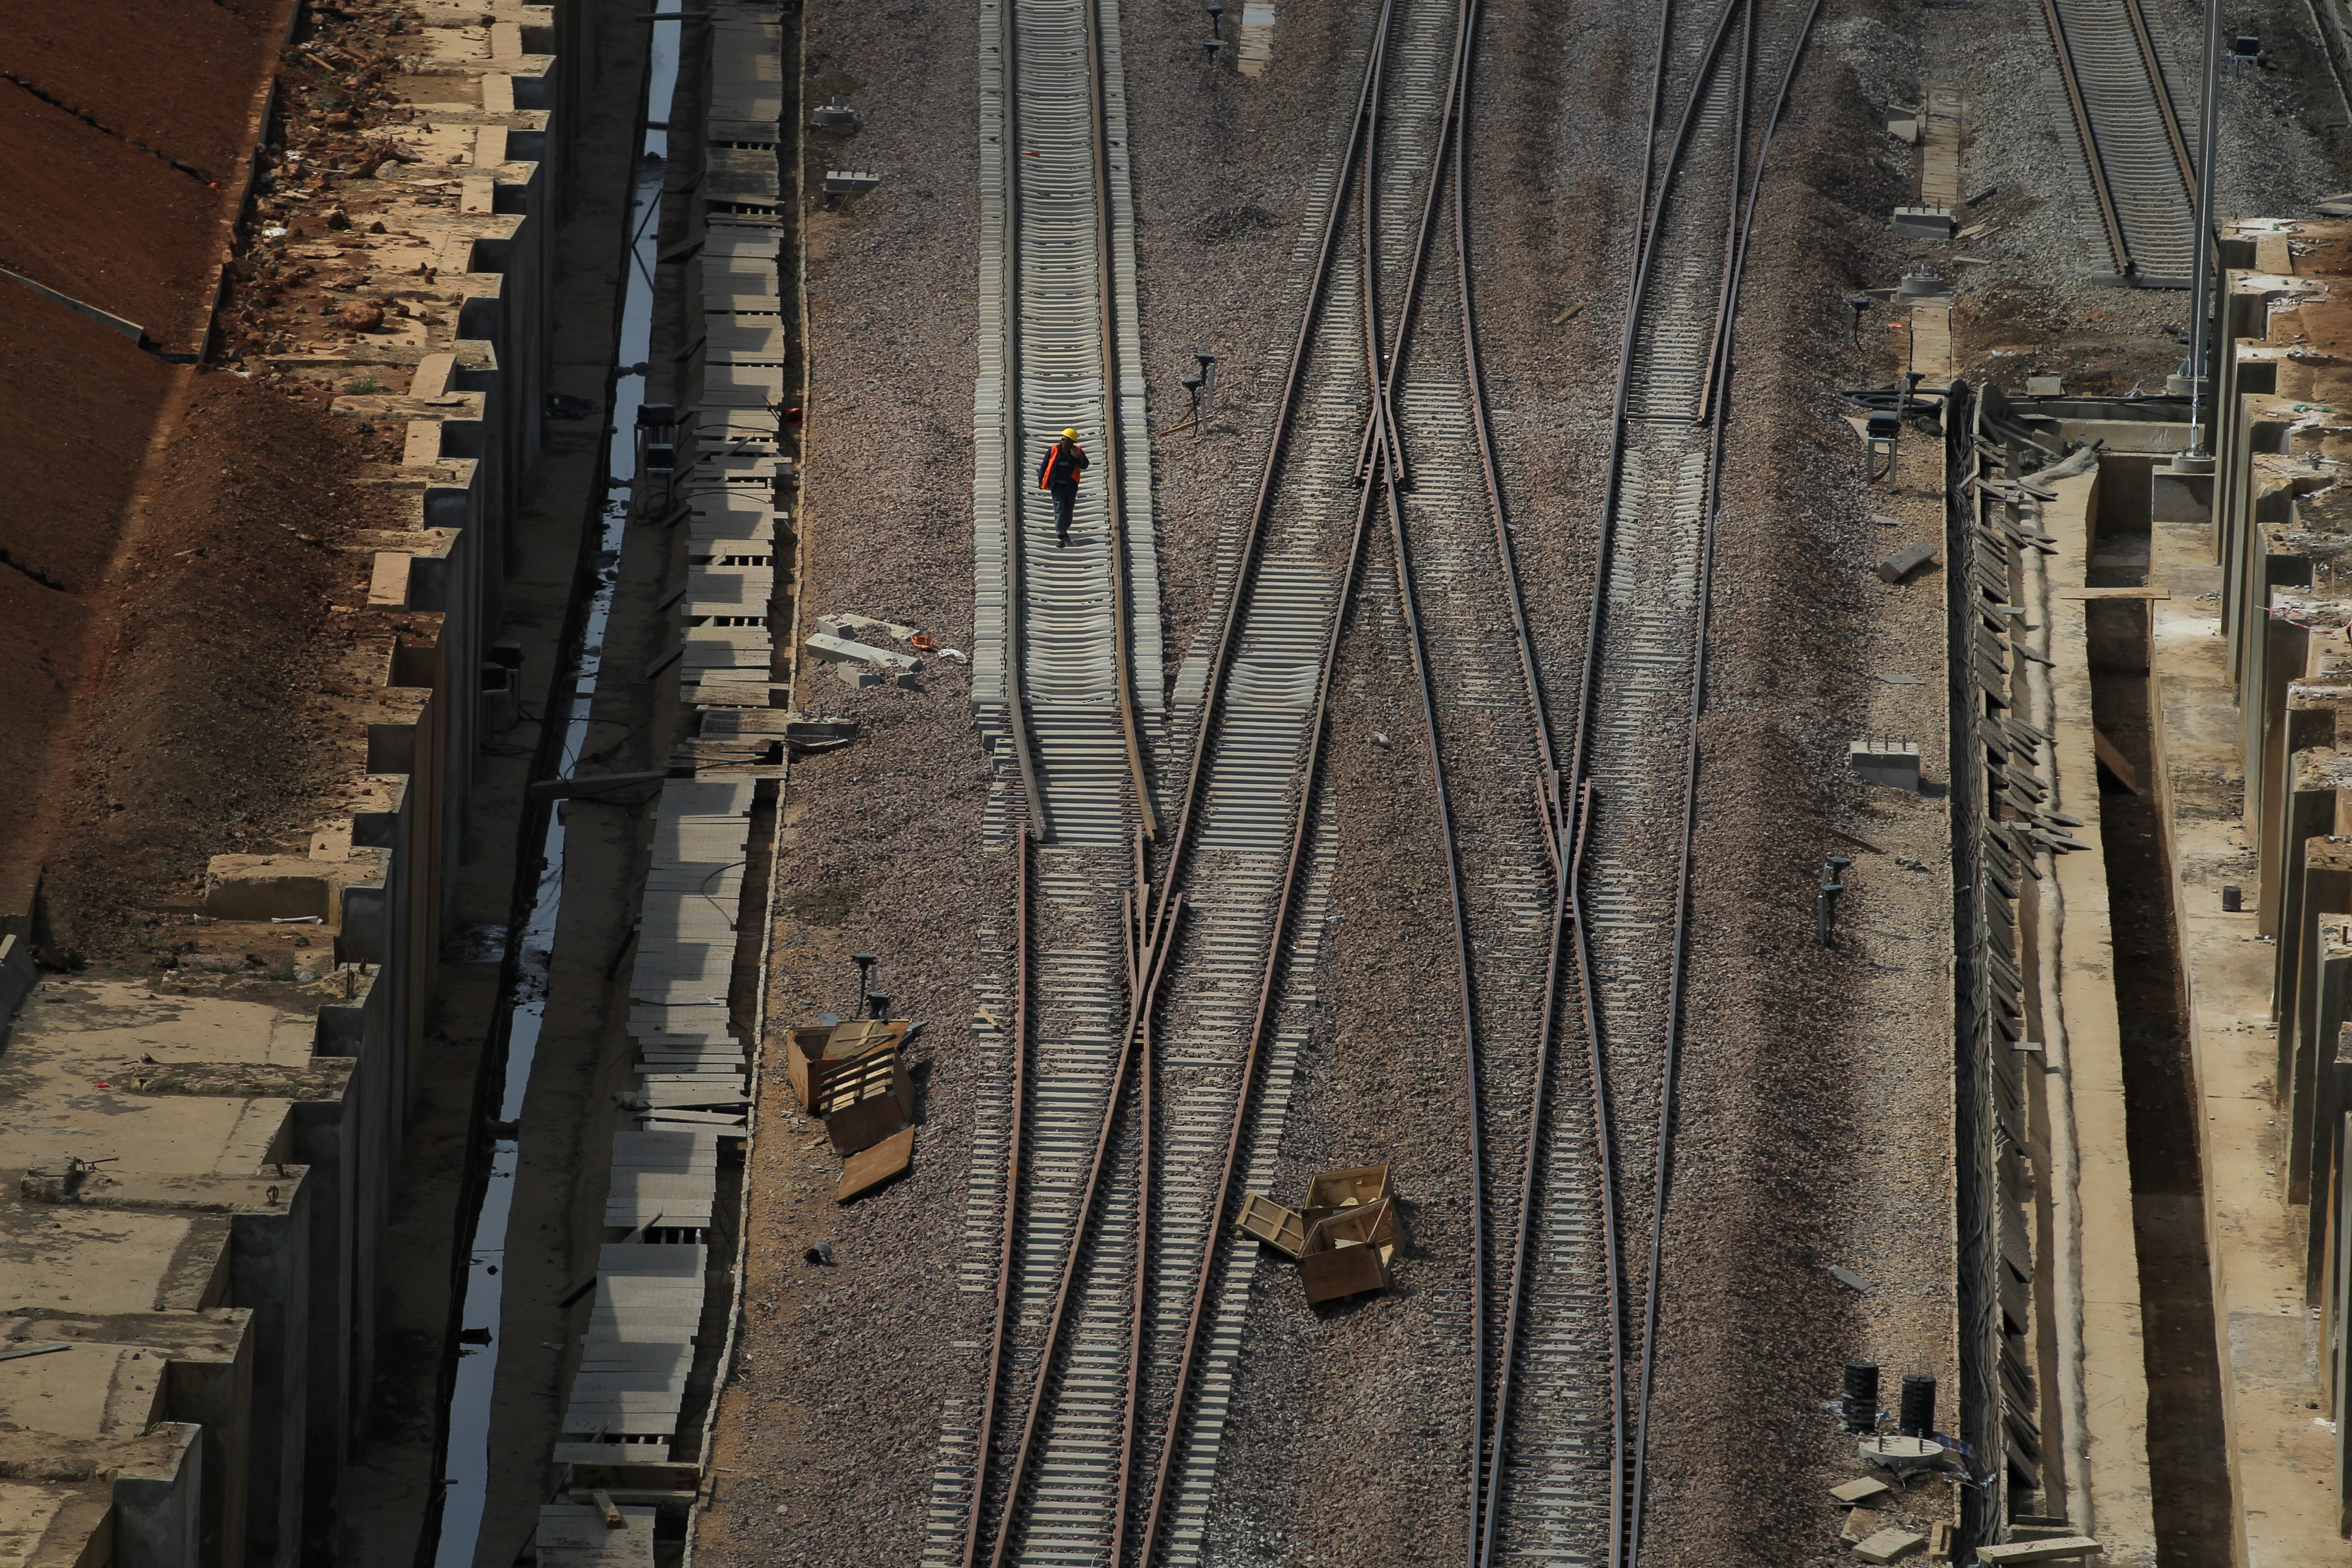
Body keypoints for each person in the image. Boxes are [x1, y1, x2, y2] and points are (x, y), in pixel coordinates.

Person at [1038, 427, 1089, 546]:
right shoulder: (1054, 450)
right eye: (1063, 438)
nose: (1063, 441)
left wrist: (1078, 458)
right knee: (1059, 508)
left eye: (1066, 439)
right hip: (1057, 486)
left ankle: (1064, 529)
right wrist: (1040, 479)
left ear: (1072, 442)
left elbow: (1085, 465)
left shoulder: (1077, 451)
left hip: (1071, 487)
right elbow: (1045, 465)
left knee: (1069, 512)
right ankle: (1061, 532)